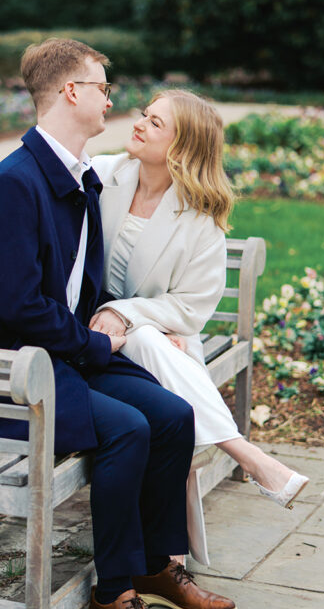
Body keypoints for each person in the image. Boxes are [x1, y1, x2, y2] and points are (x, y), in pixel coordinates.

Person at [0, 39, 236, 609]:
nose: (112, 99)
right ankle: (112, 598)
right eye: (103, 86)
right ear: (71, 93)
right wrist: (92, 342)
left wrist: (111, 333)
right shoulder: (15, 182)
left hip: (55, 359)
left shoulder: (81, 175)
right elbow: (18, 304)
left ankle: (157, 565)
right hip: (4, 377)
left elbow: (79, 285)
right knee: (128, 428)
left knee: (172, 415)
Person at [90, 89, 309, 566]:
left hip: (154, 336)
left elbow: (190, 309)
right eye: (144, 115)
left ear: (182, 146)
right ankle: (246, 455)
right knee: (154, 349)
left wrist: (131, 314)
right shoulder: (103, 176)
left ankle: (170, 552)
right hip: (90, 332)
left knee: (150, 341)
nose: (140, 124)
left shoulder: (199, 217)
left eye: (156, 123)